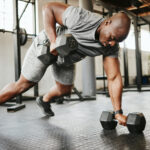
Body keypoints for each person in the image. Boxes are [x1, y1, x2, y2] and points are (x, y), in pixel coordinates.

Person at [0, 2, 130, 126]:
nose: (112, 43)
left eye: (117, 41)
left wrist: (118, 112)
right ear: (107, 23)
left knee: (64, 89)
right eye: (112, 37)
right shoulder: (81, 18)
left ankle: (44, 100)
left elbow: (113, 77)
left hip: (67, 56)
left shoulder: (110, 47)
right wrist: (53, 41)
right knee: (23, 85)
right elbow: (48, 8)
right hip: (47, 45)